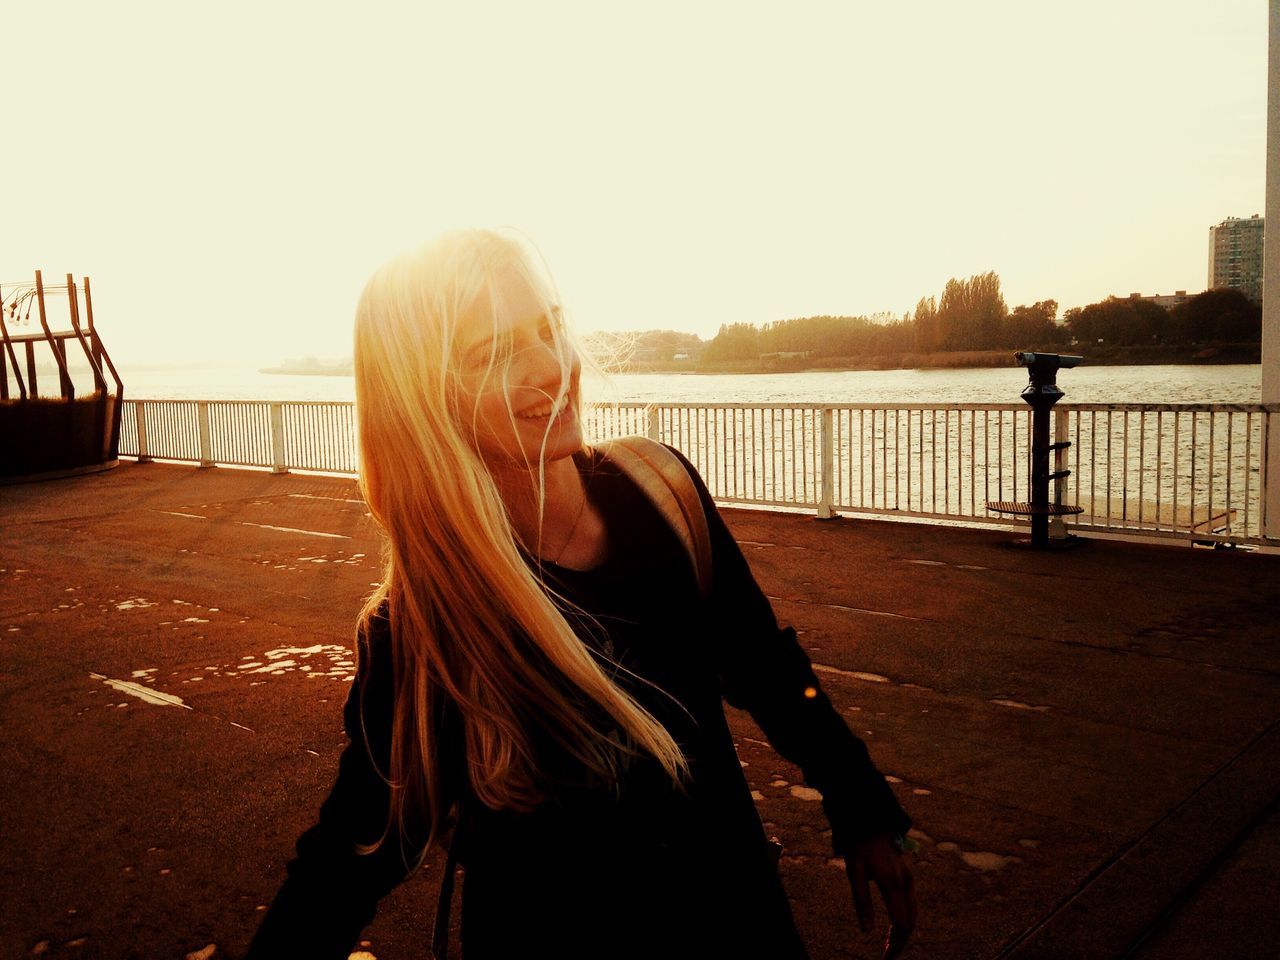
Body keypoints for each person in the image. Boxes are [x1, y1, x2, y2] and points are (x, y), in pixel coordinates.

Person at [245, 229, 916, 959]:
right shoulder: (423, 627)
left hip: (744, 926)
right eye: (493, 354)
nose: (550, 366)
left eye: (548, 326)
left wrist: (860, 803)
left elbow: (767, 671)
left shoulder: (661, 495)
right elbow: (351, 859)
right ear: (423, 403)